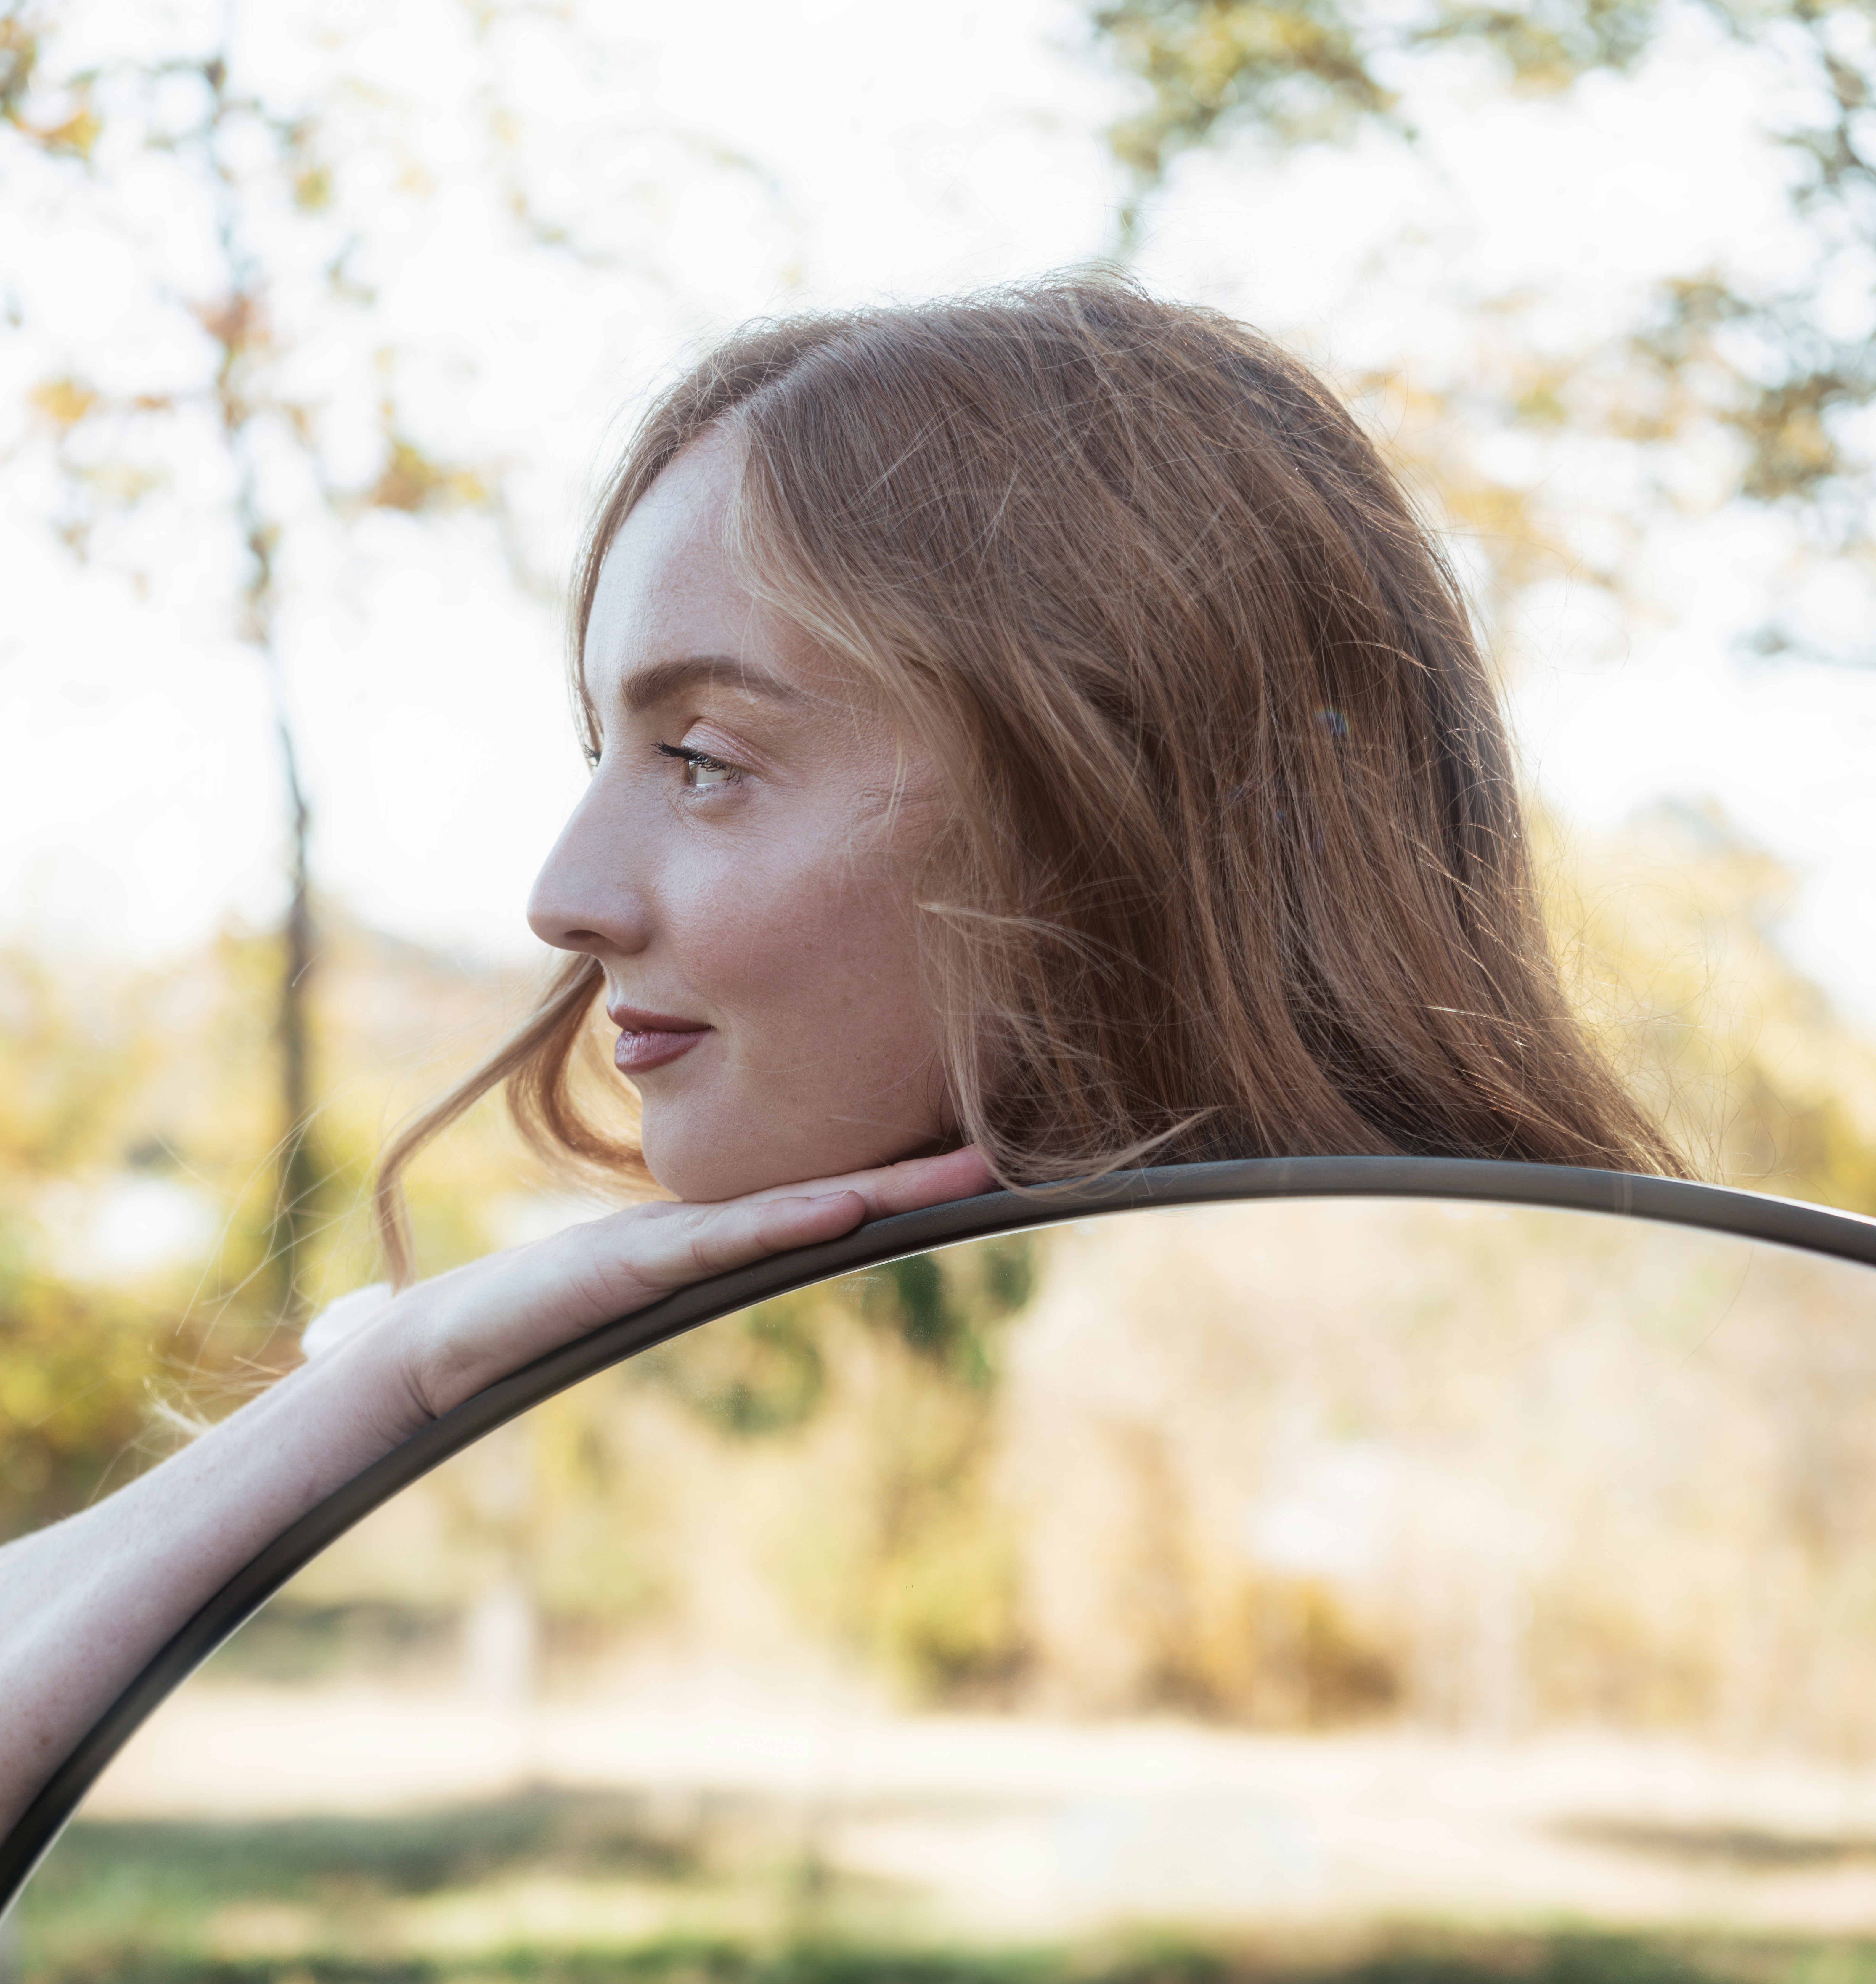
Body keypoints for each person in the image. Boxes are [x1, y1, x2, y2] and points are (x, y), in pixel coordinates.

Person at [0, 274, 1674, 1830]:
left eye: (707, 758)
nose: (563, 899)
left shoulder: (1554, 1520)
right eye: (607, 748)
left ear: (1117, 803)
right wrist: (394, 1387)